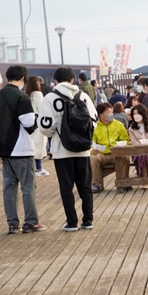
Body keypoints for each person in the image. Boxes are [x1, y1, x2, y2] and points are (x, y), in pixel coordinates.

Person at [38, 66, 98, 232]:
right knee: (85, 186)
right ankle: (88, 220)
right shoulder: (83, 96)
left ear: (55, 80)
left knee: (67, 187)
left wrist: (58, 132)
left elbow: (45, 127)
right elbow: (94, 120)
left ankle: (71, 222)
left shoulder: (50, 98)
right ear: (73, 79)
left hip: (61, 149)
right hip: (83, 149)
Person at [0, 65, 45, 233]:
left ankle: (12, 223)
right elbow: (29, 121)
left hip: (2, 148)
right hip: (20, 148)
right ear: (23, 78)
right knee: (28, 186)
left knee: (9, 187)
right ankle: (31, 221)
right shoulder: (21, 97)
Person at [90, 102, 130, 193]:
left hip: (116, 153)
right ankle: (96, 184)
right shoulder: (95, 127)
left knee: (125, 157)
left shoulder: (118, 125)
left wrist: (121, 145)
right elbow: (90, 144)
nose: (111, 114)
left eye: (111, 112)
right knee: (93, 158)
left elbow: (126, 140)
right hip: (102, 155)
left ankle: (125, 181)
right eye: (108, 112)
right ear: (101, 115)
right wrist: (93, 150)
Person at [25, 76, 49, 176]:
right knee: (40, 146)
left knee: (32, 147)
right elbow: (42, 109)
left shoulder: (27, 95)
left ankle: (33, 168)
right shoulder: (39, 95)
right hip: (39, 124)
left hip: (30, 124)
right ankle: (39, 168)